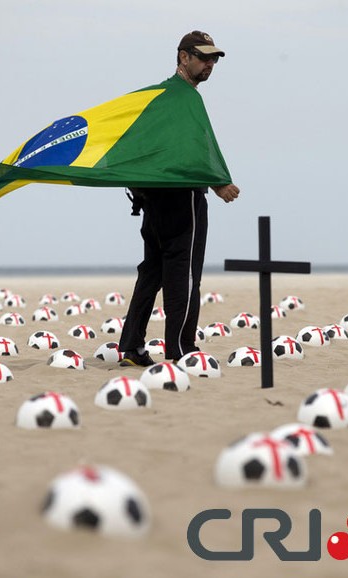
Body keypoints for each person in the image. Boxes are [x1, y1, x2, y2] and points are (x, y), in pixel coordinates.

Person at [118, 31, 240, 367]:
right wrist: (219, 182)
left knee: (152, 271)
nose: (210, 64)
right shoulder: (184, 97)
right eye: (203, 57)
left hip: (153, 200)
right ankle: (181, 348)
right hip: (181, 198)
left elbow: (149, 146)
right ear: (183, 57)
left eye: (214, 59)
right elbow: (192, 151)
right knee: (184, 274)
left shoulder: (155, 97)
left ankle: (131, 346)